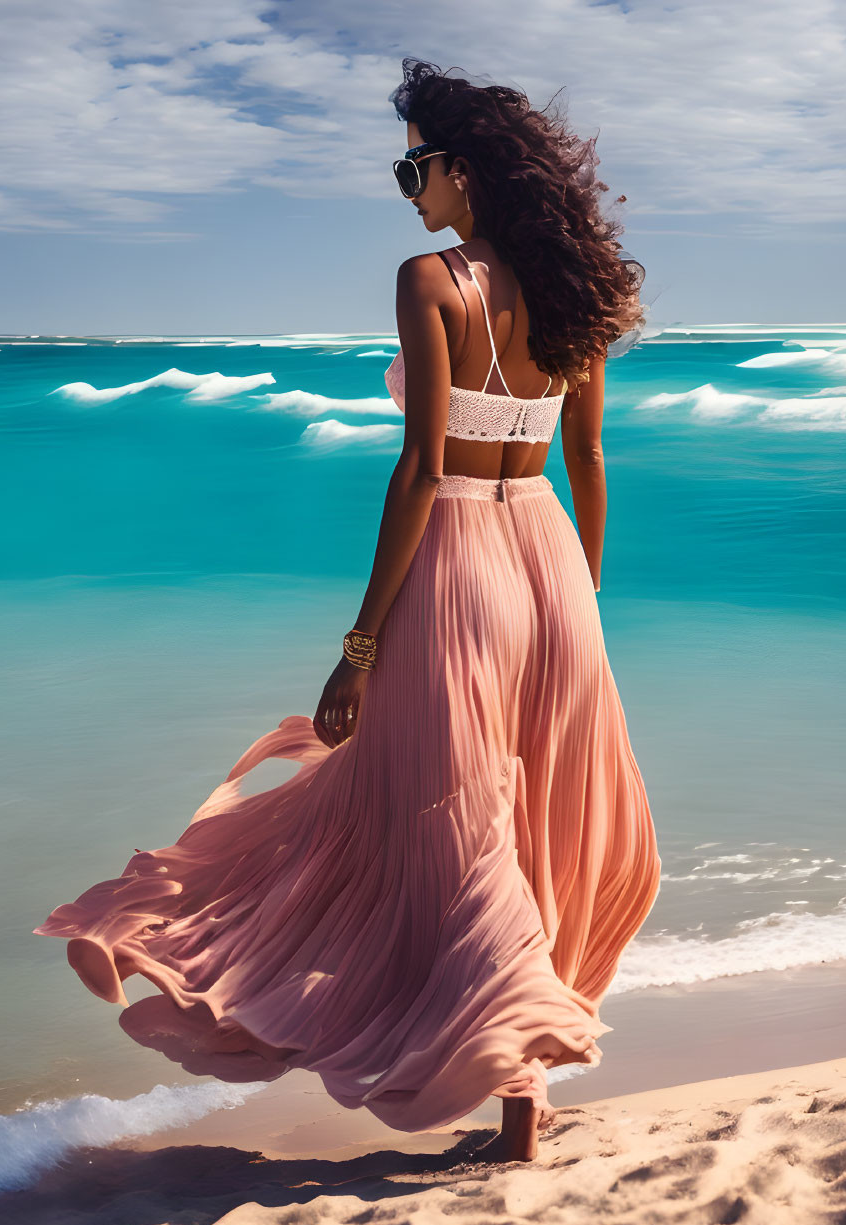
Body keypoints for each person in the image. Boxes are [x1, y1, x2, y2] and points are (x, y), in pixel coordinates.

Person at [34, 58, 661, 1164]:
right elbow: (588, 457)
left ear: (461, 171)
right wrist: (582, 601)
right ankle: (521, 1098)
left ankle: (504, 1066)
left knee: (455, 824)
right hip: (552, 567)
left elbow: (420, 469)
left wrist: (356, 650)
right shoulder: (573, 291)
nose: (405, 186)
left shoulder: (432, 282)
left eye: (411, 163)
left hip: (463, 562)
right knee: (532, 820)